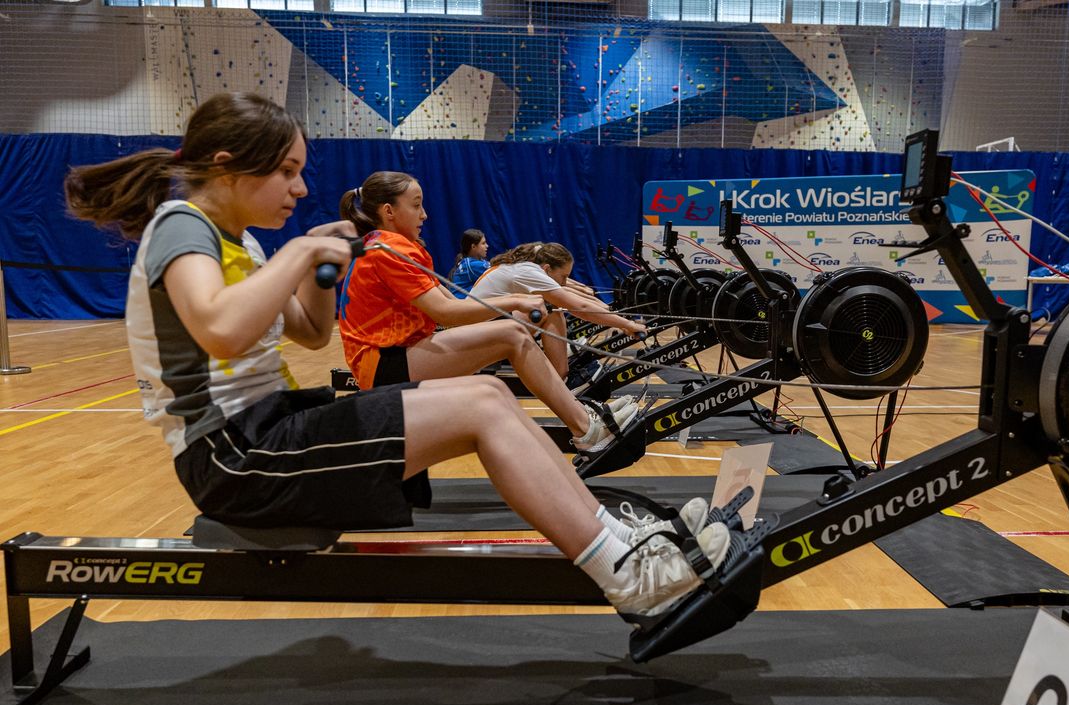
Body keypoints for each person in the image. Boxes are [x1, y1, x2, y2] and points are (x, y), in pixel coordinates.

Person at [62, 91, 730, 625]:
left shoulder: (241, 241)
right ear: (230, 166)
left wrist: (317, 274)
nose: (299, 190)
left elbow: (305, 332)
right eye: (288, 172)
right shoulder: (185, 226)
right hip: (234, 457)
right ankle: (629, 575)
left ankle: (622, 541)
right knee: (482, 405)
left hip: (270, 427)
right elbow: (219, 332)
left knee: (492, 397)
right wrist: (300, 252)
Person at [337, 171, 635, 454]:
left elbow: (449, 301)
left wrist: (513, 305)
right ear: (389, 211)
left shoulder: (390, 246)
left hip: (395, 355)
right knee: (514, 335)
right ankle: (586, 430)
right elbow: (446, 313)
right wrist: (514, 301)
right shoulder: (390, 250)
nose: (425, 214)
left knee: (515, 330)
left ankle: (581, 416)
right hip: (383, 365)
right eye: (416, 206)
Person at [470, 241, 646, 378]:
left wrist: (614, 316)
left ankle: (559, 373)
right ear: (547, 268)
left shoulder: (525, 269)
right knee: (552, 306)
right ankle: (561, 376)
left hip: (485, 325)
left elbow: (575, 300)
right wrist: (626, 324)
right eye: (564, 276)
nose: (564, 281)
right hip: (478, 333)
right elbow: (579, 307)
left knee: (549, 304)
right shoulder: (528, 272)